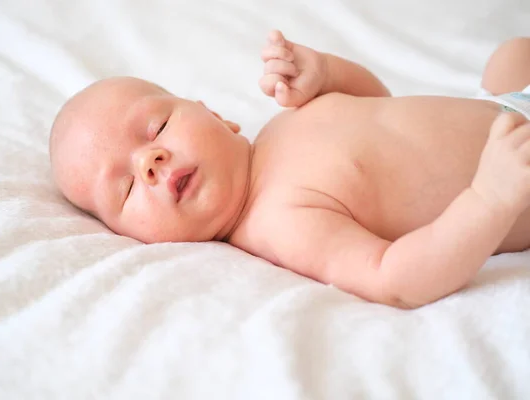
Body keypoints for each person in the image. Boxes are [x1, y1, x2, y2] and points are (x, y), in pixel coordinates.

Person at [49, 31, 530, 309]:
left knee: (514, 52)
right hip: (517, 179)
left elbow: (379, 106)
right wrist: (491, 198)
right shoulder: (280, 222)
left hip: (500, 109)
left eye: (158, 126)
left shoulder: (282, 125)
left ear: (215, 115)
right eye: (128, 187)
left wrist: (327, 73)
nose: (149, 162)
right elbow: (394, 278)